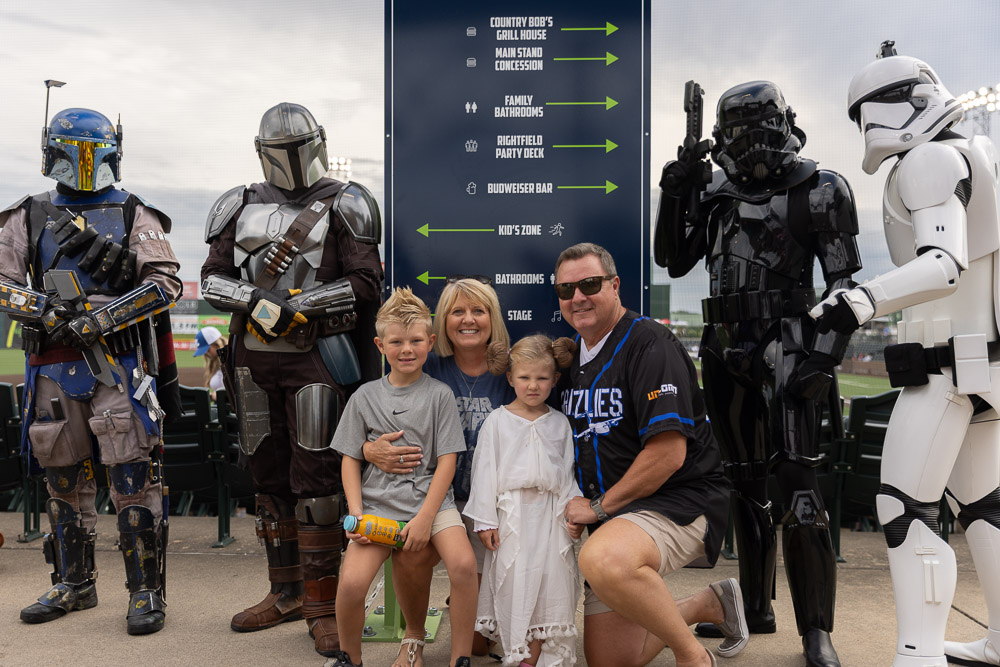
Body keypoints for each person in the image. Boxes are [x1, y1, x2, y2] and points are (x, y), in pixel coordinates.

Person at [653, 80, 862, 667]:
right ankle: (754, 605)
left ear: (785, 122)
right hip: (724, 343)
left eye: (759, 126)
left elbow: (845, 283)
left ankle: (816, 630)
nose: (750, 142)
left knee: (798, 483)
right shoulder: (717, 193)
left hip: (788, 340)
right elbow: (673, 257)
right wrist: (676, 190)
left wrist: (824, 355)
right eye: (738, 131)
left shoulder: (821, 188)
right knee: (743, 483)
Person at [811, 42, 1000, 667]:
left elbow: (943, 264)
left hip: (944, 372)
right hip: (979, 366)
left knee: (904, 508)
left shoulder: (929, 161)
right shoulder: (974, 155)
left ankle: (918, 654)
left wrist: (860, 301)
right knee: (985, 509)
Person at [200, 102, 383, 656]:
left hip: (318, 356)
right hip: (253, 360)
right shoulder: (237, 203)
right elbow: (212, 278)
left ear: (318, 143)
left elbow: (366, 282)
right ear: (261, 152)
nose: (290, 158)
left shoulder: (348, 201)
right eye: (278, 150)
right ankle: (285, 592)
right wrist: (258, 301)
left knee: (318, 482)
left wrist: (300, 306)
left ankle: (323, 606)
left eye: (296, 147)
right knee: (268, 478)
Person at [0, 105, 182, 635]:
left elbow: (164, 283)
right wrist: (46, 311)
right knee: (61, 478)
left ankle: (146, 591)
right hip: (52, 363)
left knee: (133, 478)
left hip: (117, 364)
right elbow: (2, 281)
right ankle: (73, 583)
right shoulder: (27, 214)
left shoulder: (133, 213)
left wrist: (101, 318)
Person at [554, 242, 745, 667]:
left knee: (603, 558)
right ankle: (709, 604)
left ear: (615, 285)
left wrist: (597, 508)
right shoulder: (571, 357)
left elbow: (668, 455)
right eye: (566, 289)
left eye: (589, 284)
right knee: (612, 660)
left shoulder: (651, 344)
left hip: (679, 500)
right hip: (618, 516)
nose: (578, 296)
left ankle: (693, 656)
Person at [361, 277, 514, 657]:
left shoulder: (511, 372)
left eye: (478, 311)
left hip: (492, 507)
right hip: (438, 498)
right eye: (457, 311)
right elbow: (373, 424)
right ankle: (413, 635)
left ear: (492, 317)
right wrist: (369, 450)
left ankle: (469, 603)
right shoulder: (426, 365)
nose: (468, 319)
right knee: (410, 551)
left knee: (478, 645)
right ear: (442, 323)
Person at [328, 287, 478, 667]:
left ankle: (460, 658)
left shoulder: (440, 395)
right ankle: (349, 657)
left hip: (433, 504)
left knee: (463, 565)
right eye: (396, 342)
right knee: (351, 583)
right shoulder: (364, 397)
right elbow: (349, 458)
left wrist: (426, 518)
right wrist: (357, 512)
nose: (406, 349)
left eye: (415, 341)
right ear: (380, 345)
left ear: (430, 341)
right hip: (378, 506)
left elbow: (447, 461)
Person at [464, 334, 582, 667]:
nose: (533, 385)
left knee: (549, 583)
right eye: (525, 377)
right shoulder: (497, 421)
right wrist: (485, 520)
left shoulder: (559, 423)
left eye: (542, 378)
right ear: (510, 378)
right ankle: (519, 652)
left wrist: (571, 512)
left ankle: (540, 656)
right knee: (516, 581)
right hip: (511, 517)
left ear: (555, 379)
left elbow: (568, 473)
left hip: (550, 517)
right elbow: (484, 472)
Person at [193, 326, 226, 400]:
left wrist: (218, 395)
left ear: (217, 344)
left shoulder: (230, 361)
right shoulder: (217, 364)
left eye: (207, 350)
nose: (206, 354)